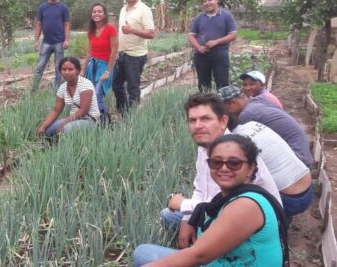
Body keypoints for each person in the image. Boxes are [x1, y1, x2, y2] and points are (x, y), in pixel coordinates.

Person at [134, 134, 286, 266]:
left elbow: (199, 255)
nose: (224, 168)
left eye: (234, 163)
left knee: (144, 254)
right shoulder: (230, 196)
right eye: (216, 162)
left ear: (251, 169)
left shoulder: (246, 205)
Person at [165, 93, 280, 249]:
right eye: (192, 120)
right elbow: (200, 188)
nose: (198, 125)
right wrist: (187, 219)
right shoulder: (205, 148)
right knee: (168, 215)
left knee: (143, 254)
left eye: (205, 119)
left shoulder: (236, 154)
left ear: (223, 121)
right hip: (221, 214)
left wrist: (183, 204)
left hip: (248, 232)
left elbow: (223, 207)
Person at [229, 120, 313, 217]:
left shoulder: (236, 143)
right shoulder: (253, 124)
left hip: (287, 199)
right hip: (308, 188)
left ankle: (276, 222)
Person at [218, 85, 313, 167]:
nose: (225, 113)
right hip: (304, 154)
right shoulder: (259, 100)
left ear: (232, 103)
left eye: (224, 109)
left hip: (298, 161)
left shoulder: (247, 115)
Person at [111, 0, 155, 117]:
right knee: (117, 85)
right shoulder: (123, 9)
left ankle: (131, 118)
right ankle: (123, 112)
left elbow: (151, 33)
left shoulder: (144, 10)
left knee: (133, 88)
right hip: (123, 54)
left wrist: (132, 30)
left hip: (135, 56)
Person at [37, 57, 100, 137]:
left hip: (89, 120)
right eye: (64, 69)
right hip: (73, 120)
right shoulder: (63, 87)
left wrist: (64, 123)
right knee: (46, 130)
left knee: (66, 128)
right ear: (60, 71)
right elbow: (56, 111)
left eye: (70, 69)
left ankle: (68, 146)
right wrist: (43, 127)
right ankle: (54, 145)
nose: (67, 72)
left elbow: (83, 111)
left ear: (77, 70)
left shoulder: (85, 85)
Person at [188, 0, 238, 91]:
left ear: (216, 0)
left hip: (220, 54)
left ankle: (222, 105)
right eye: (204, 1)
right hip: (201, 55)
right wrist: (198, 47)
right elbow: (191, 35)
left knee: (222, 83)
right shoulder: (199, 17)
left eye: (210, 0)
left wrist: (216, 42)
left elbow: (233, 35)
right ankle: (206, 105)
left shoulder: (226, 16)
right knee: (203, 84)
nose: (207, 3)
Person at [82, 3, 118, 124]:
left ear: (104, 14)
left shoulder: (110, 29)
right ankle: (95, 121)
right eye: (94, 12)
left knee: (97, 95)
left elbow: (114, 51)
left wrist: (107, 71)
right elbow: (89, 52)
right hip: (92, 66)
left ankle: (106, 123)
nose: (96, 14)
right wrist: (83, 70)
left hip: (105, 66)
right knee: (90, 95)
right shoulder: (91, 31)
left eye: (99, 11)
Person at [33, 0, 70, 89]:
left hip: (59, 42)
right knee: (40, 66)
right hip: (46, 42)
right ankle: (34, 88)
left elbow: (66, 24)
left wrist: (66, 40)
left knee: (59, 67)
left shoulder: (63, 7)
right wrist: (36, 41)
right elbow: (39, 24)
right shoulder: (42, 7)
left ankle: (57, 89)